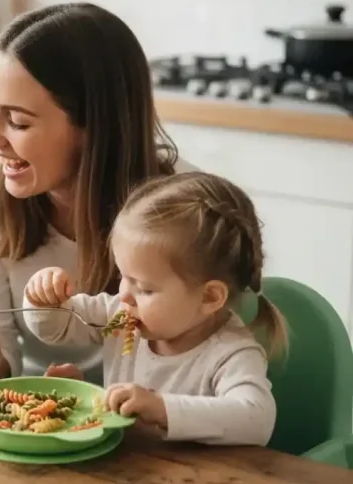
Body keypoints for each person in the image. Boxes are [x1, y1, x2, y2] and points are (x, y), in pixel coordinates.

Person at [0, 2, 192, 380]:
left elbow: (198, 364)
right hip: (33, 393)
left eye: (18, 121)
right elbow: (1, 356)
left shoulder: (186, 208)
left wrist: (103, 397)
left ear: (94, 127)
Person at [22, 171, 285, 445]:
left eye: (145, 289)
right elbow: (56, 327)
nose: (124, 295)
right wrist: (42, 299)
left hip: (194, 472)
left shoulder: (231, 354)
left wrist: (161, 408)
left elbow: (257, 420)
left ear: (209, 297)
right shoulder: (121, 317)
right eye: (123, 277)